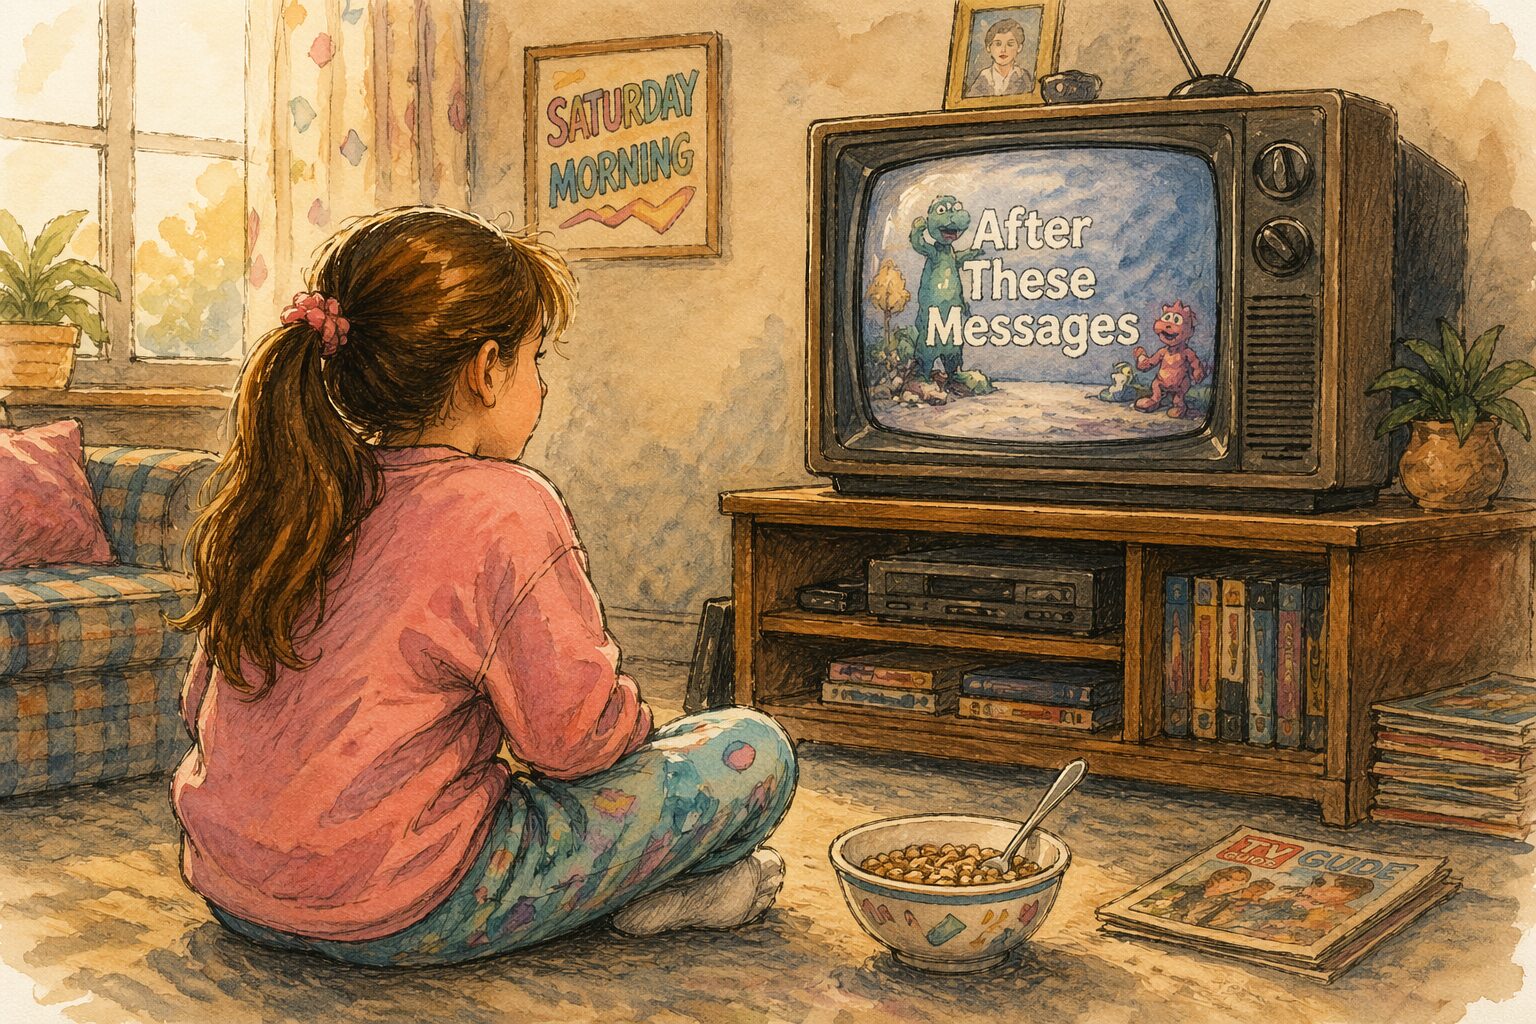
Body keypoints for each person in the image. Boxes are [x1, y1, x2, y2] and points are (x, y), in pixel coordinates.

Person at [169, 206, 797, 966]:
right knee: (752, 748)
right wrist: (637, 733)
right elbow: (576, 743)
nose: (539, 382)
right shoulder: (505, 506)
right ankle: (648, 893)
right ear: (487, 367)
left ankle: (647, 894)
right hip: (401, 908)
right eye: (537, 357)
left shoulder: (295, 489)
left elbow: (199, 700)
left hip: (236, 891)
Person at [967, 18, 1033, 97]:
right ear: (988, 47)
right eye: (998, 44)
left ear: (1019, 48)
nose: (1003, 50)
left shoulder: (1024, 77)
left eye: (1010, 44)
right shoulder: (983, 78)